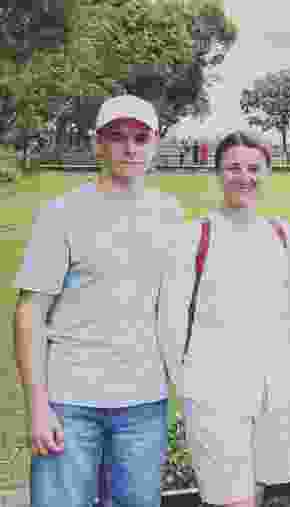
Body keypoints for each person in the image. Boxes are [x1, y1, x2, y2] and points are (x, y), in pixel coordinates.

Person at [13, 95, 184, 507]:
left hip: (144, 402)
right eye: (117, 137)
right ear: (98, 144)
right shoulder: (62, 212)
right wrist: (38, 405)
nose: (130, 147)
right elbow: (30, 312)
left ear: (155, 143)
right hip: (71, 402)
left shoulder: (171, 214)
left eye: (140, 138)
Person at [160, 130, 290, 507]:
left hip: (273, 395)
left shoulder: (281, 232)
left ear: (268, 172)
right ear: (217, 173)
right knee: (231, 500)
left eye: (254, 168)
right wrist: (189, 386)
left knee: (259, 492)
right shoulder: (196, 234)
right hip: (215, 395)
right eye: (233, 168)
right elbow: (171, 323)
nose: (244, 177)